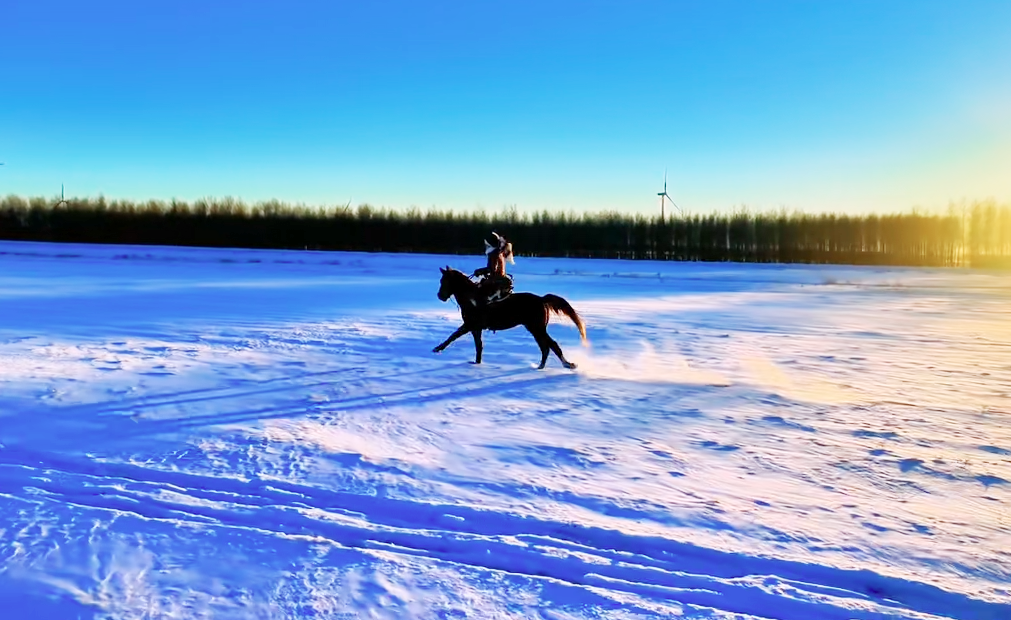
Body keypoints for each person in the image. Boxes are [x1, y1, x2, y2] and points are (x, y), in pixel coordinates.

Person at [473, 232, 514, 303]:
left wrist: (480, 271)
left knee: (478, 294)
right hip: (499, 278)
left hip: (495, 280)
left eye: (486, 243)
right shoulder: (498, 252)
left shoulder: (494, 253)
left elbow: (493, 269)